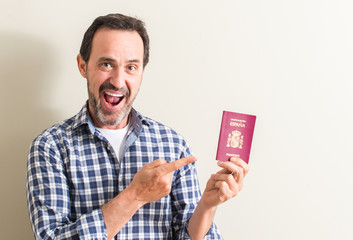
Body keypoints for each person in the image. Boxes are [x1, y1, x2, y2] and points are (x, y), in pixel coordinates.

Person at [26, 13, 249, 240]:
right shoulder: (50, 147)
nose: (118, 80)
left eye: (131, 67)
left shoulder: (173, 145)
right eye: (106, 64)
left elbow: (188, 235)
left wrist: (208, 206)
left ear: (142, 71)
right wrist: (135, 196)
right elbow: (50, 237)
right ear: (83, 66)